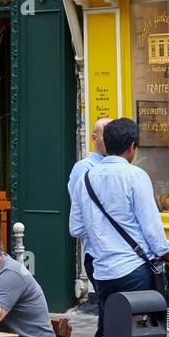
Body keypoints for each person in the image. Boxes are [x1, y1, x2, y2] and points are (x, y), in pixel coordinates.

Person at [74, 118, 169, 337]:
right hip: (136, 271)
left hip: (103, 272)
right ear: (132, 146)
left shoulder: (87, 179)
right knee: (146, 336)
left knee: (106, 334)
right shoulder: (135, 177)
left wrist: (103, 241)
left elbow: (76, 228)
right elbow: (153, 231)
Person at [68, 117, 111, 289]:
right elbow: (82, 214)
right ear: (94, 138)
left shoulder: (122, 167)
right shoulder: (83, 168)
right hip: (98, 253)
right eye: (107, 135)